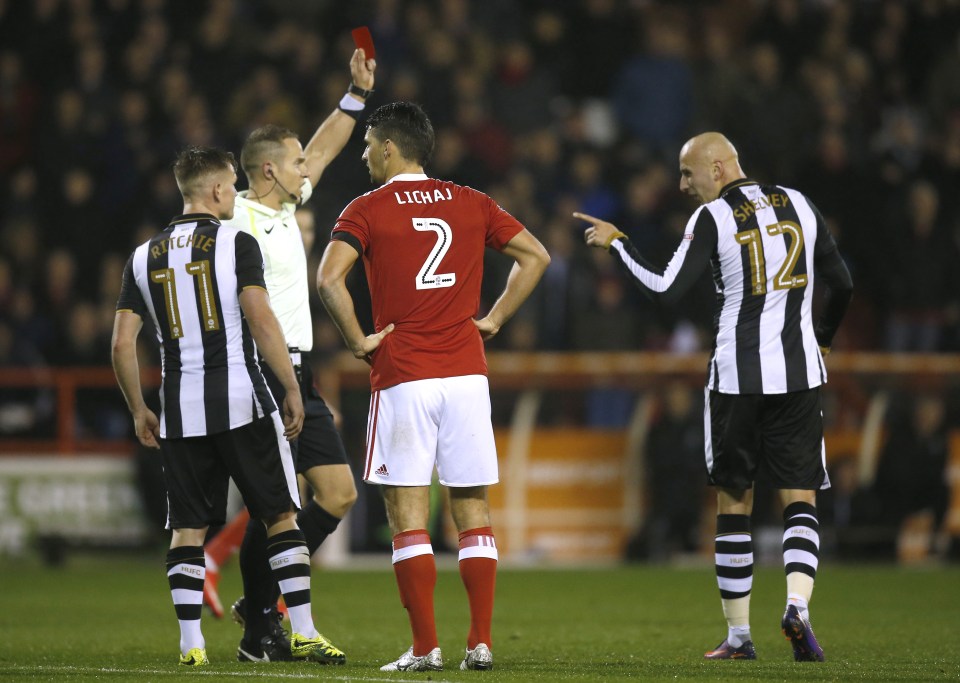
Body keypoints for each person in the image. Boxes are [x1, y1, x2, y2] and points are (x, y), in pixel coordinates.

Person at [578, 132, 853, 663]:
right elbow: (841, 282)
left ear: (720, 167)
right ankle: (798, 606)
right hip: (800, 375)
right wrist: (823, 338)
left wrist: (617, 242)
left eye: (688, 173)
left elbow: (663, 288)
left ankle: (740, 636)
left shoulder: (712, 218)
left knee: (734, 502)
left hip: (735, 380)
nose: (683, 185)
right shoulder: (801, 203)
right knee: (800, 496)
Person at [317, 101, 550, 672]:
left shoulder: (366, 209)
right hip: (467, 374)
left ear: (392, 147)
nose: (365, 152)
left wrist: (357, 338)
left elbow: (328, 278)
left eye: (369, 143)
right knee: (473, 510)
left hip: (405, 374)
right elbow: (536, 256)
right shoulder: (471, 201)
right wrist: (493, 319)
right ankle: (481, 642)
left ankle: (425, 649)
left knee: (408, 515)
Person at [111, 145, 344, 666]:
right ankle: (302, 630)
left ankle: (191, 644)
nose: (234, 192)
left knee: (187, 529)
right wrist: (289, 385)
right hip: (243, 400)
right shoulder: (235, 242)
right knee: (282, 515)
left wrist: (138, 409)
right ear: (217, 190)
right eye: (231, 183)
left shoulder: (142, 255)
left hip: (179, 408)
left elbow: (122, 344)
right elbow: (261, 319)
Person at [201, 47, 375, 663]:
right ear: (269, 171)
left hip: (299, 368)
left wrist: (354, 96)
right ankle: (261, 632)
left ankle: (261, 599)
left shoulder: (286, 205)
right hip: (260, 372)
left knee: (337, 494)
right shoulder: (238, 220)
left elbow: (326, 147)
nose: (311, 166)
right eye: (297, 160)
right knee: (275, 505)